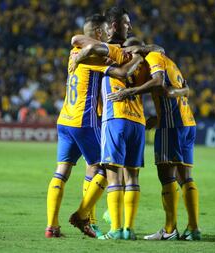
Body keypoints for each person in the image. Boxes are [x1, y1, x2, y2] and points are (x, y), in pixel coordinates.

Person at [45, 14, 143, 238]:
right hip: (85, 121)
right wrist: (136, 59)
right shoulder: (93, 58)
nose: (109, 33)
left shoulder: (74, 54)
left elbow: (77, 39)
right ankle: (83, 216)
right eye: (106, 30)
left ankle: (52, 226)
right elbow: (121, 73)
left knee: (62, 171)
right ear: (99, 33)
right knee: (103, 168)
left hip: (65, 120)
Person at [108, 42, 201, 241]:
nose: (127, 55)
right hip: (187, 122)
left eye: (129, 51)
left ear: (138, 49)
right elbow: (180, 90)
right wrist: (156, 118)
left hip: (171, 125)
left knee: (166, 175)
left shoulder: (152, 58)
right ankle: (193, 229)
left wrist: (129, 92)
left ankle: (169, 230)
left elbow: (159, 83)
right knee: (185, 177)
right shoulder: (170, 62)